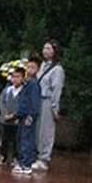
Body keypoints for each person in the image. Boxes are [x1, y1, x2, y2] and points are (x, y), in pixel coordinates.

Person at [33, 39, 65, 172]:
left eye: (49, 49)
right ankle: (36, 154)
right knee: (37, 129)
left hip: (47, 100)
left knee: (46, 130)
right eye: (44, 48)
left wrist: (54, 107)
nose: (45, 51)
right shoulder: (41, 66)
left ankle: (44, 158)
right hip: (38, 99)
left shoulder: (57, 69)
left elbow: (56, 89)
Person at [12, 56, 42, 176]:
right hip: (22, 115)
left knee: (27, 140)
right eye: (28, 67)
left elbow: (34, 102)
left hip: (28, 116)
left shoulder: (34, 84)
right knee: (21, 138)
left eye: (33, 67)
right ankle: (22, 161)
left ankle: (26, 164)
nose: (29, 70)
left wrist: (31, 115)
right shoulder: (27, 83)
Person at [0, 67, 24, 167]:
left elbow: (23, 105)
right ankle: (3, 157)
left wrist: (15, 115)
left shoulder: (23, 92)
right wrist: (4, 114)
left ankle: (16, 158)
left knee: (17, 140)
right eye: (13, 77)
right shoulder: (7, 90)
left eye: (18, 77)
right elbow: (1, 102)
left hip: (17, 121)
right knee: (4, 139)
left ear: (22, 78)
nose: (15, 79)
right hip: (5, 120)